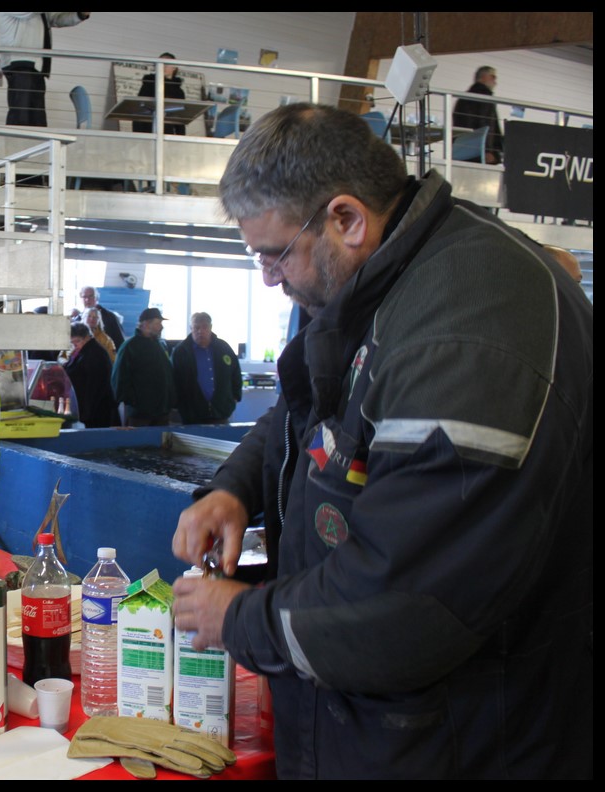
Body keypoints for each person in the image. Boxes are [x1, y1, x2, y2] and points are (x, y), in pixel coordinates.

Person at [170, 103, 592, 779]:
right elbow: (307, 409)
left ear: (346, 219)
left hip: (469, 741)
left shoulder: (467, 333)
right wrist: (236, 487)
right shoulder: (380, 286)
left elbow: (405, 604)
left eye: (275, 253)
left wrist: (240, 617)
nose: (269, 279)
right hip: (378, 727)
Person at [0, 12, 91, 127]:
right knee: (21, 116)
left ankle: (37, 143)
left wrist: (79, 14)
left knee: (37, 119)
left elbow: (57, 18)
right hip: (20, 64)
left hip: (35, 67)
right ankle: (16, 143)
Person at [170, 311, 241, 424]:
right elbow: (173, 381)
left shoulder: (224, 348)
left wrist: (235, 397)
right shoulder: (181, 351)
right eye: (196, 327)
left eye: (204, 327)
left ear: (211, 327)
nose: (200, 331)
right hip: (191, 416)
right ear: (191, 328)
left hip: (221, 412)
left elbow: (236, 373)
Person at [111, 307, 175, 426]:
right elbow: (118, 379)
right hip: (140, 414)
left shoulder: (159, 345)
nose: (161, 326)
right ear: (146, 324)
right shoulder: (129, 347)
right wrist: (134, 402)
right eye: (158, 323)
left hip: (162, 411)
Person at [63, 322, 117, 428]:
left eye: (77, 341)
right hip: (87, 407)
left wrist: (86, 413)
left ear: (87, 337)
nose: (75, 346)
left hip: (97, 410)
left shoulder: (95, 354)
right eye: (72, 343)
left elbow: (94, 387)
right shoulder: (83, 351)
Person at [452, 65, 503, 164]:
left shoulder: (463, 98)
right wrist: (488, 150)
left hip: (463, 150)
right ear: (483, 77)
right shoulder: (484, 96)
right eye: (493, 76)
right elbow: (485, 122)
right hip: (480, 152)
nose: (495, 81)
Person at [133, 53, 186, 135]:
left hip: (168, 132)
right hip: (148, 130)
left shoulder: (178, 91)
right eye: (160, 64)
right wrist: (137, 134)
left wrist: (181, 137)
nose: (163, 67)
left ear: (174, 67)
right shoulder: (149, 84)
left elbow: (179, 116)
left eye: (167, 64)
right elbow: (140, 109)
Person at [78, 285, 125, 350]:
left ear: (97, 298)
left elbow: (120, 342)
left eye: (91, 296)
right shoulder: (77, 319)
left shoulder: (110, 317)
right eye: (84, 297)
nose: (87, 300)